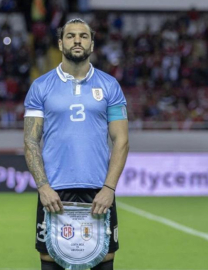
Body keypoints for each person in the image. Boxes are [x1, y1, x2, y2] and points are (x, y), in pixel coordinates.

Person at [24, 18, 129, 270]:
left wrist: (109, 188)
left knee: (103, 262)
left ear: (92, 44)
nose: (77, 40)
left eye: (83, 36)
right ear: (61, 43)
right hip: (54, 194)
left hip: (99, 193)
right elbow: (30, 140)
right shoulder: (41, 86)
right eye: (71, 36)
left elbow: (121, 140)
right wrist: (43, 187)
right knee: (51, 262)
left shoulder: (109, 86)